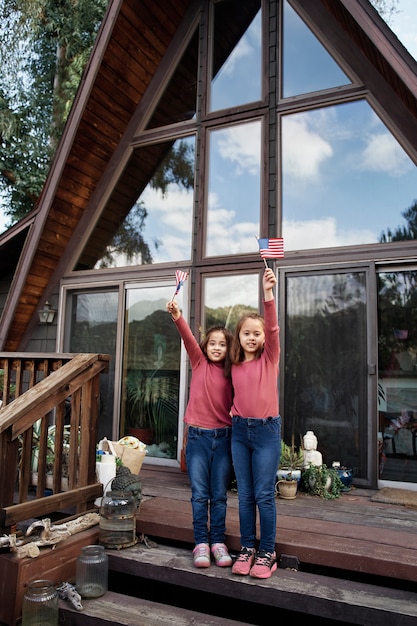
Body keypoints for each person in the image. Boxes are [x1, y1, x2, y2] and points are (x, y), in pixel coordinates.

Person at [166, 299, 234, 569]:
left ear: (229, 349)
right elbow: (187, 337)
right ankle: (201, 544)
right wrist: (178, 315)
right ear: (205, 346)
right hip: (198, 439)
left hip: (224, 439)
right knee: (199, 494)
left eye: (222, 344)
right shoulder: (198, 362)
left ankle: (218, 542)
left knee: (218, 494)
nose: (216, 347)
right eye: (213, 342)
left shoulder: (233, 372)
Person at [230, 267, 281, 579]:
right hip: (239, 433)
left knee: (263, 493)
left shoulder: (269, 358)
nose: (252, 336)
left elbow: (273, 328)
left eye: (257, 333)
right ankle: (248, 547)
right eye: (246, 332)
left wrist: (267, 295)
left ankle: (267, 552)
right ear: (239, 335)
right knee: (245, 494)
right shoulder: (233, 365)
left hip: (266, 433)